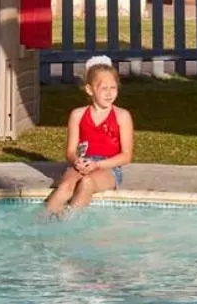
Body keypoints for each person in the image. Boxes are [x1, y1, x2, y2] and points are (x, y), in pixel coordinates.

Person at [44, 56, 134, 217]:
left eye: (113, 88)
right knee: (65, 185)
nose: (109, 93)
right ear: (89, 89)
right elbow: (71, 151)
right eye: (103, 88)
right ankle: (42, 222)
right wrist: (76, 161)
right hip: (83, 162)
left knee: (87, 182)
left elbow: (126, 156)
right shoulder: (78, 115)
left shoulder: (122, 116)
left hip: (108, 167)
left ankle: (70, 223)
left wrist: (98, 165)